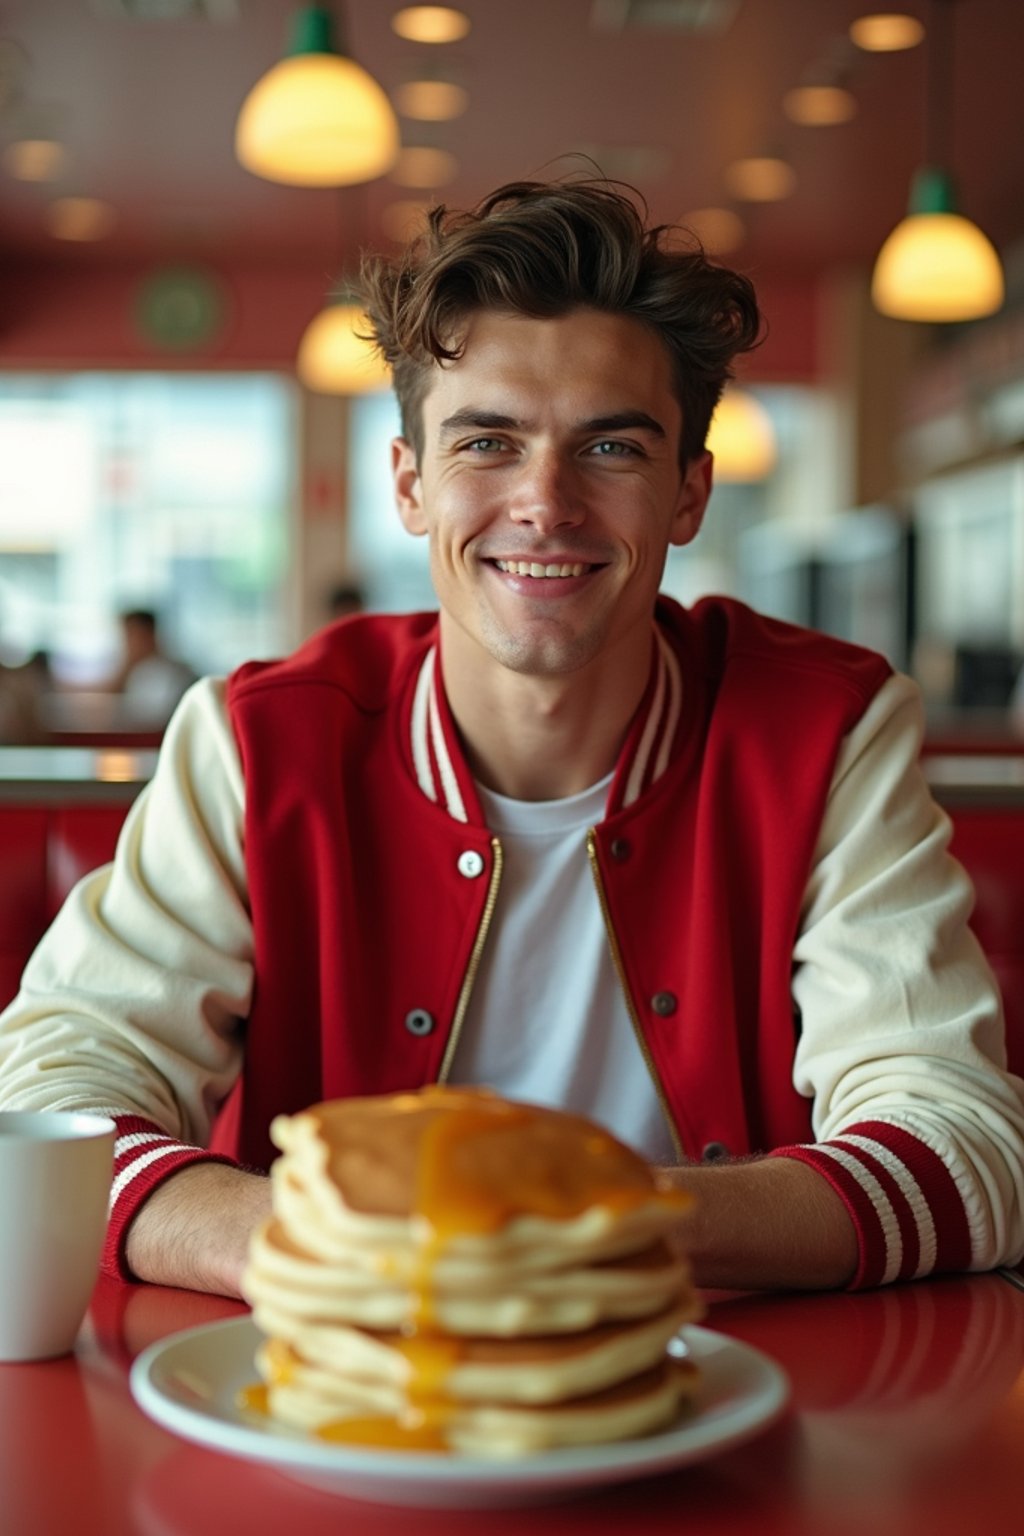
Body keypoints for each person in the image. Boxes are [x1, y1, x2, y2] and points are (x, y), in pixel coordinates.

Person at [1, 179, 1022, 1301]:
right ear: (410, 485)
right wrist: (299, 1244)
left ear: (688, 494)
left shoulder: (827, 730)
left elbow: (963, 1151)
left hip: (733, 1403)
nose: (545, 501)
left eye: (612, 449)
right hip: (335, 1402)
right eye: (487, 441)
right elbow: (46, 1102)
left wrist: (556, 1226)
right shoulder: (255, 741)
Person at [109, 608, 196, 726]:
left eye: (131, 635)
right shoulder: (139, 672)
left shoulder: (171, 674)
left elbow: (150, 723)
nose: (127, 644)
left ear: (148, 634)